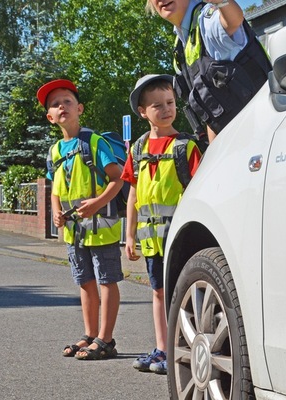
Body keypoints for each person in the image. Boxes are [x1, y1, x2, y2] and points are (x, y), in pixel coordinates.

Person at [121, 74, 202, 374]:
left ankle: (184, 350)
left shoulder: (185, 147)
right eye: (157, 105)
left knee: (183, 293)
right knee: (158, 293)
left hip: (180, 239)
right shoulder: (138, 149)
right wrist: (129, 236)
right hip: (152, 241)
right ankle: (163, 349)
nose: (167, 109)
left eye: (170, 103)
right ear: (143, 112)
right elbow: (132, 194)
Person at [38, 78, 124, 360]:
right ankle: (89, 335)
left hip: (102, 228)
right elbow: (54, 188)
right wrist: (55, 212)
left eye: (67, 101)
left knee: (106, 280)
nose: (61, 106)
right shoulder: (54, 151)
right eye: (55, 104)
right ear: (50, 117)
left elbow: (117, 179)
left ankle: (106, 339)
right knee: (85, 281)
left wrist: (98, 202)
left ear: (80, 109)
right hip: (75, 232)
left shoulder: (93, 142)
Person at [146, 0, 272, 145]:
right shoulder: (180, 46)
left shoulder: (207, 18)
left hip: (267, 133)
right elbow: (214, 111)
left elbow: (232, 22)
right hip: (240, 145)